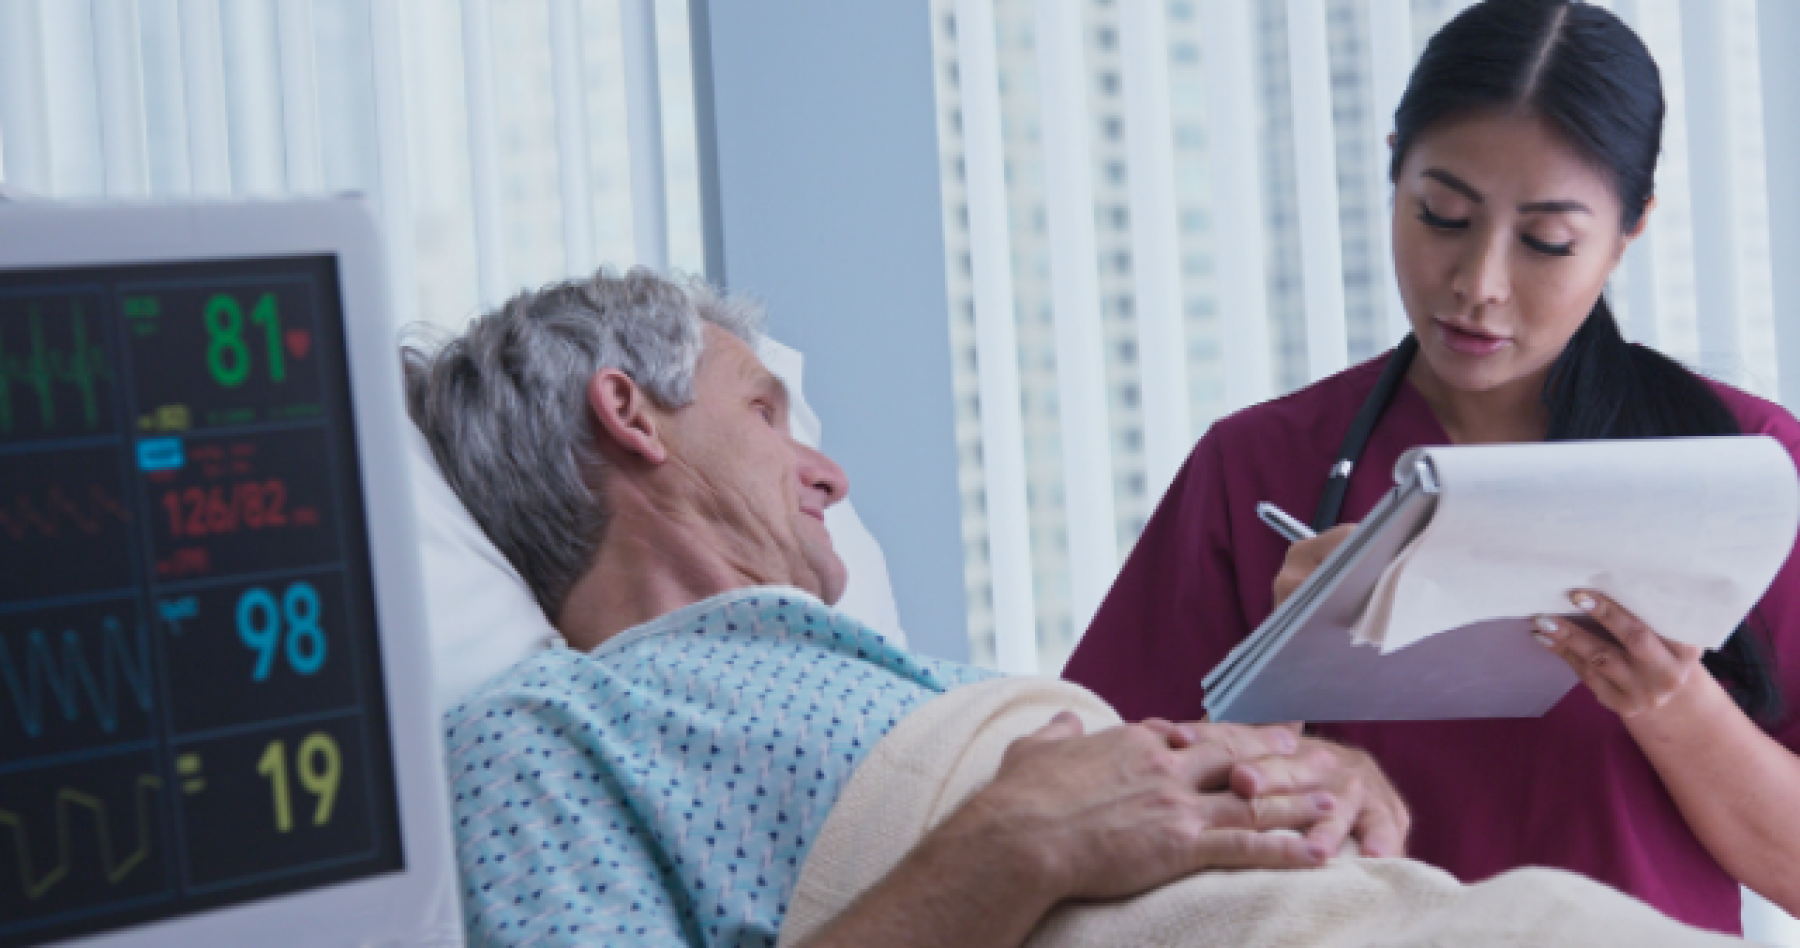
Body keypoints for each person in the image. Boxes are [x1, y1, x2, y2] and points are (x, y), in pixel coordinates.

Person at [1063, 0, 1800, 936]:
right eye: (1441, 215)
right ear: (1392, 171)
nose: (1479, 283)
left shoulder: (1741, 472)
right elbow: (1092, 816)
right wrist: (1287, 683)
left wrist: (1675, 704)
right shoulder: (1254, 472)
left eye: (1547, 242)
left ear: (1631, 229)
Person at [407, 269, 1408, 947]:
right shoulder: (536, 735)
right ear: (629, 414)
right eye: (764, 411)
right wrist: (1013, 846)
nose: (831, 474)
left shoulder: (894, 678)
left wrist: (1315, 781)